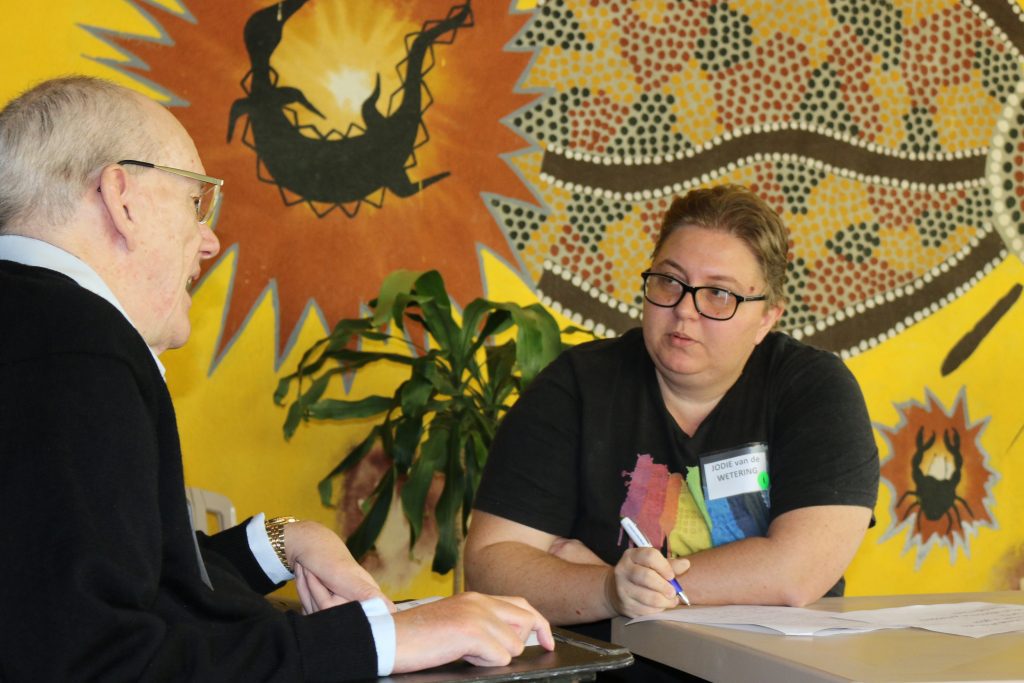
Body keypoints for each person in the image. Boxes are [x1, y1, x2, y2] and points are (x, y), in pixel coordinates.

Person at [0, 75, 552, 681]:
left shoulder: (37, 333)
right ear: (122, 197)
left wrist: (280, 541)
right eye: (196, 202)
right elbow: (98, 663)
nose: (208, 241)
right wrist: (385, 640)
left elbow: (111, 587)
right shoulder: (79, 353)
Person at [465, 184, 879, 678]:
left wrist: (608, 578)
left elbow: (796, 572)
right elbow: (491, 564)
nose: (685, 310)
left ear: (767, 316)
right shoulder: (577, 387)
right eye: (669, 282)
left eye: (719, 294)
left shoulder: (813, 390)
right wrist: (608, 589)